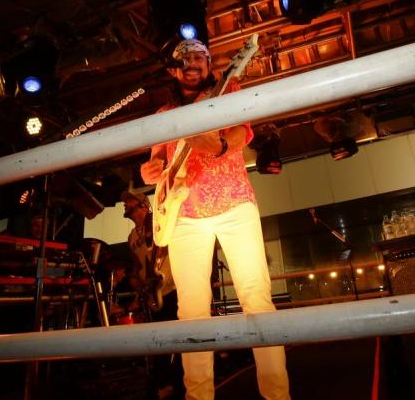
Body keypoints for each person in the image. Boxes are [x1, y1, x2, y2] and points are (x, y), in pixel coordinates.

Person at [140, 38, 290, 400]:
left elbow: (242, 132)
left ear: (210, 64)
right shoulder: (164, 114)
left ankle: (277, 395)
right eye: (185, 59)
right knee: (190, 310)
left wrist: (221, 146)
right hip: (185, 215)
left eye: (200, 57)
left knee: (256, 298)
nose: (193, 63)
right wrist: (150, 170)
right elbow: (155, 163)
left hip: (235, 203)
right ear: (174, 70)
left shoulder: (228, 89)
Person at [121, 190, 177, 320]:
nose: (125, 204)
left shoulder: (158, 223)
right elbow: (137, 263)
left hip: (171, 289)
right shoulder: (131, 236)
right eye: (125, 202)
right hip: (152, 294)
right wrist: (134, 277)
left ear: (143, 205)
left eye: (130, 200)